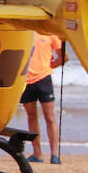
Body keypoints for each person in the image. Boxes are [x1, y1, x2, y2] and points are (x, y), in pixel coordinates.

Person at [22, 32, 66, 164]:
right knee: (31, 116)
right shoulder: (25, 32)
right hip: (25, 80)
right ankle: (37, 154)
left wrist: (49, 67)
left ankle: (54, 155)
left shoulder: (50, 33)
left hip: (44, 79)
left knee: (50, 116)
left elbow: (64, 56)